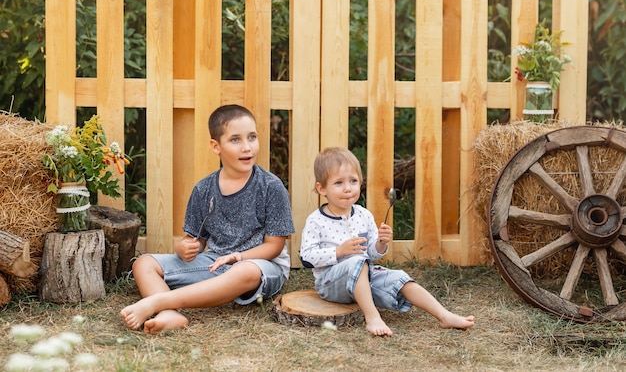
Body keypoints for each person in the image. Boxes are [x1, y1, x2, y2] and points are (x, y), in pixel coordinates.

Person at [120, 104, 295, 334]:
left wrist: (238, 257)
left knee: (245, 271)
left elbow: (274, 246)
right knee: (143, 264)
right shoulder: (203, 189)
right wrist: (184, 248)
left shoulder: (271, 187)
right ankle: (169, 315)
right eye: (235, 140)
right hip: (215, 262)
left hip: (260, 266)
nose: (247, 147)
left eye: (252, 137)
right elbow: (196, 240)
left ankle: (159, 303)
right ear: (216, 146)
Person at [299, 147, 475, 336]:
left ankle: (444, 316)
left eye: (353, 181)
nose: (348, 188)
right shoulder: (316, 220)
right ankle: (372, 317)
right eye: (339, 183)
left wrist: (381, 243)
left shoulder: (363, 215)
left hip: (365, 276)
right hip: (330, 283)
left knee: (400, 278)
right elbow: (306, 257)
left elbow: (372, 254)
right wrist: (339, 251)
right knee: (357, 263)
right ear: (321, 188)